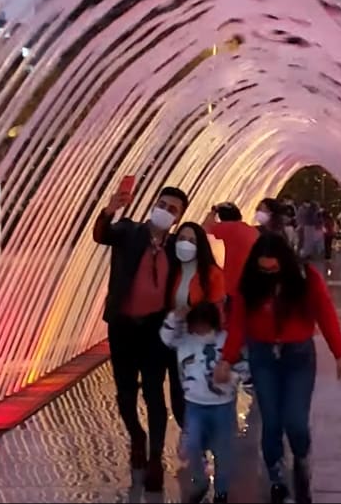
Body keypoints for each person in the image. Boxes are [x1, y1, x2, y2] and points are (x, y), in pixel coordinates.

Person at [215, 233, 341, 504]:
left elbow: (326, 314)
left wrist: (340, 355)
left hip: (298, 357)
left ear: (284, 262)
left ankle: (301, 460)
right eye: (263, 269)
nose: (268, 274)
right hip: (263, 356)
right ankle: (276, 477)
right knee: (272, 421)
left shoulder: (305, 278)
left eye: (273, 268)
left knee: (296, 421)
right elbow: (238, 325)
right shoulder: (250, 284)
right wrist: (226, 359)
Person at [92, 184, 190, 492]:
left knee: (154, 392)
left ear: (178, 218)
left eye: (173, 209)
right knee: (125, 394)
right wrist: (110, 208)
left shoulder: (177, 247)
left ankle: (155, 459)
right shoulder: (128, 230)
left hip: (154, 330)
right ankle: (137, 435)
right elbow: (101, 234)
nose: (166, 211)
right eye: (163, 204)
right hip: (122, 326)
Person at [160, 302, 248, 504]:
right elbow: (166, 337)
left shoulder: (226, 341)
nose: (198, 330)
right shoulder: (185, 340)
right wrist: (175, 316)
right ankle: (200, 480)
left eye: (202, 325)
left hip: (222, 405)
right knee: (192, 444)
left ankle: (221, 492)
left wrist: (231, 377)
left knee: (223, 451)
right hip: (194, 405)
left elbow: (244, 367)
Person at [165, 221, 227, 443]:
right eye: (182, 239)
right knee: (178, 393)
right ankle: (190, 433)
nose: (185, 244)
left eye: (192, 240)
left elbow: (217, 313)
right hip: (177, 343)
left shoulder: (212, 274)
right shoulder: (172, 272)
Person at [202, 202, 260, 313]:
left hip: (229, 289)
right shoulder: (254, 232)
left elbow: (203, 228)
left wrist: (213, 212)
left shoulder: (222, 229)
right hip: (249, 288)